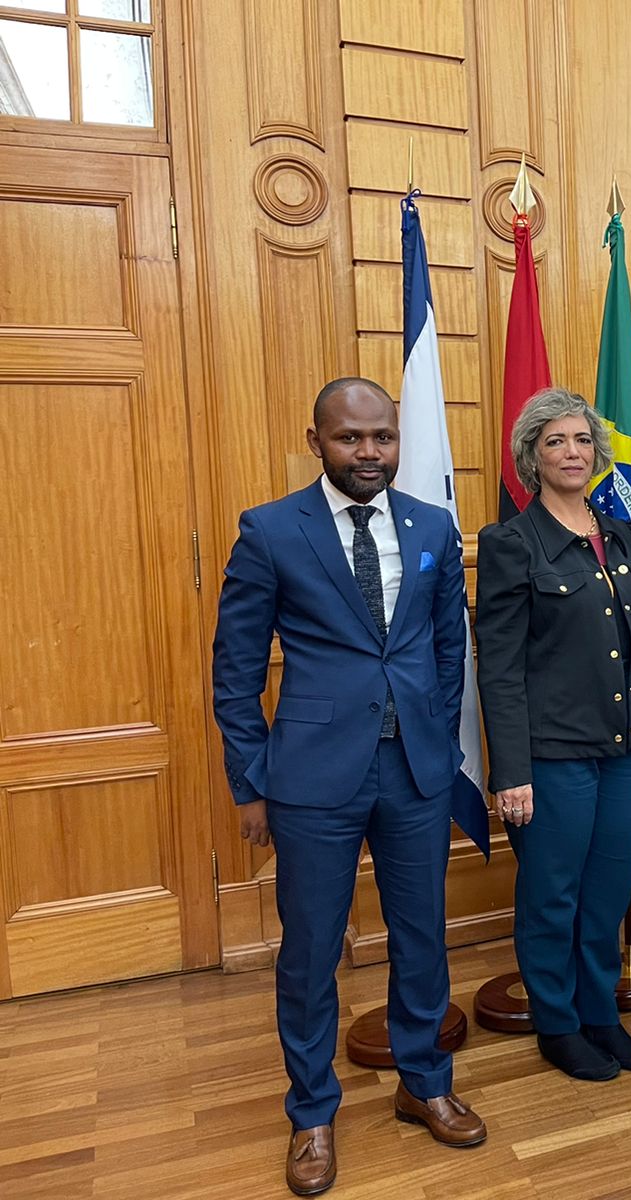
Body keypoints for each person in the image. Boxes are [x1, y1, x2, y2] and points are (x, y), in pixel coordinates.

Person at [211, 378, 486, 1198]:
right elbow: (234, 672)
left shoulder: (433, 526)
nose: (369, 453)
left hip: (415, 774)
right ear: (316, 440)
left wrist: (432, 734)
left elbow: (447, 648)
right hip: (311, 779)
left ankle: (424, 1082)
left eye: (383, 439)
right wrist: (250, 782)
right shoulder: (269, 532)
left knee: (421, 935)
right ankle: (312, 1114)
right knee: (309, 953)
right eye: (350, 439)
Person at [475, 388, 631, 1083]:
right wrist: (511, 771)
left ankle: (599, 1012)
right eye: (555, 441)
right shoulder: (510, 544)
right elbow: (498, 668)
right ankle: (557, 1024)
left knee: (609, 889)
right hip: (552, 755)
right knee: (553, 892)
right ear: (532, 456)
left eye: (582, 440)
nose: (572, 453)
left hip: (624, 746)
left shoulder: (620, 536)